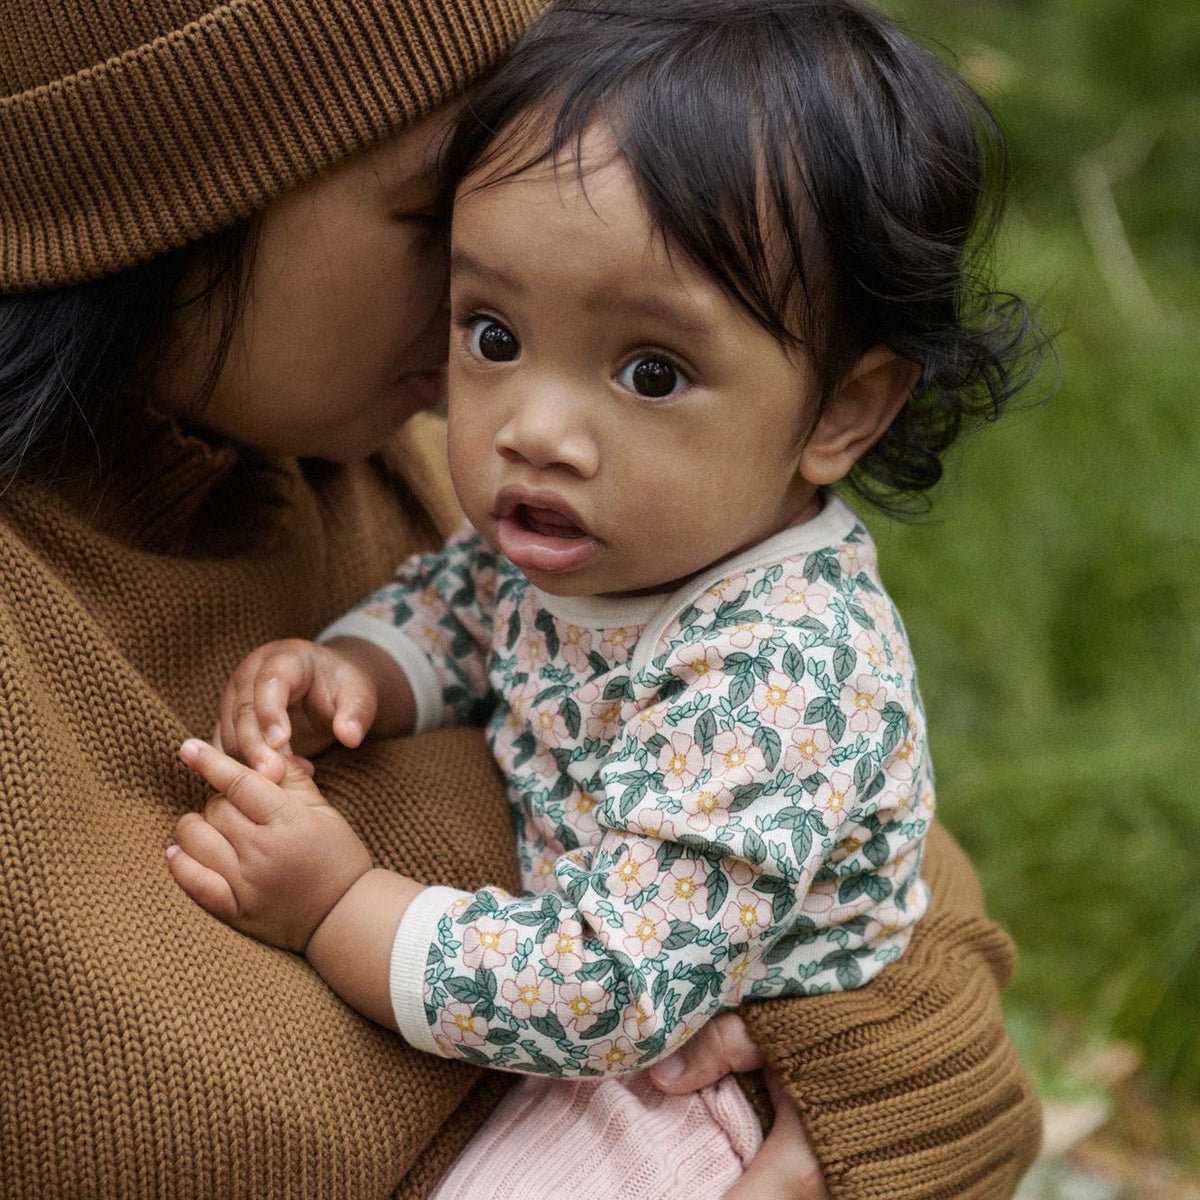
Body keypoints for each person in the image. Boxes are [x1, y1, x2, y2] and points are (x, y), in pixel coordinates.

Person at [0, 0, 1041, 1197]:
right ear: (172, 199)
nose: (532, 422)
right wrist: (371, 665)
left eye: (648, 368)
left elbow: (891, 879)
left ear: (847, 409)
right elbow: (475, 612)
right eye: (475, 282)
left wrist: (882, 1102)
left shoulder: (443, 471)